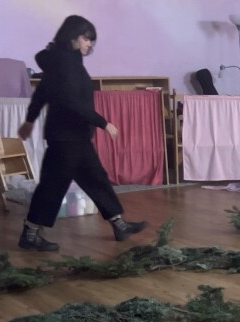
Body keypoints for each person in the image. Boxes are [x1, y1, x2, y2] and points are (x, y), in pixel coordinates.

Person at [17, 15, 147, 251]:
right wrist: (102, 122)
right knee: (53, 185)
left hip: (74, 135)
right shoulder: (64, 63)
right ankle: (31, 234)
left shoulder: (66, 61)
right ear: (72, 36)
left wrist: (30, 120)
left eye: (91, 41)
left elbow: (43, 91)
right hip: (65, 136)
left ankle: (119, 224)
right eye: (86, 39)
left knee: (95, 177)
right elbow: (68, 101)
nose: (90, 45)